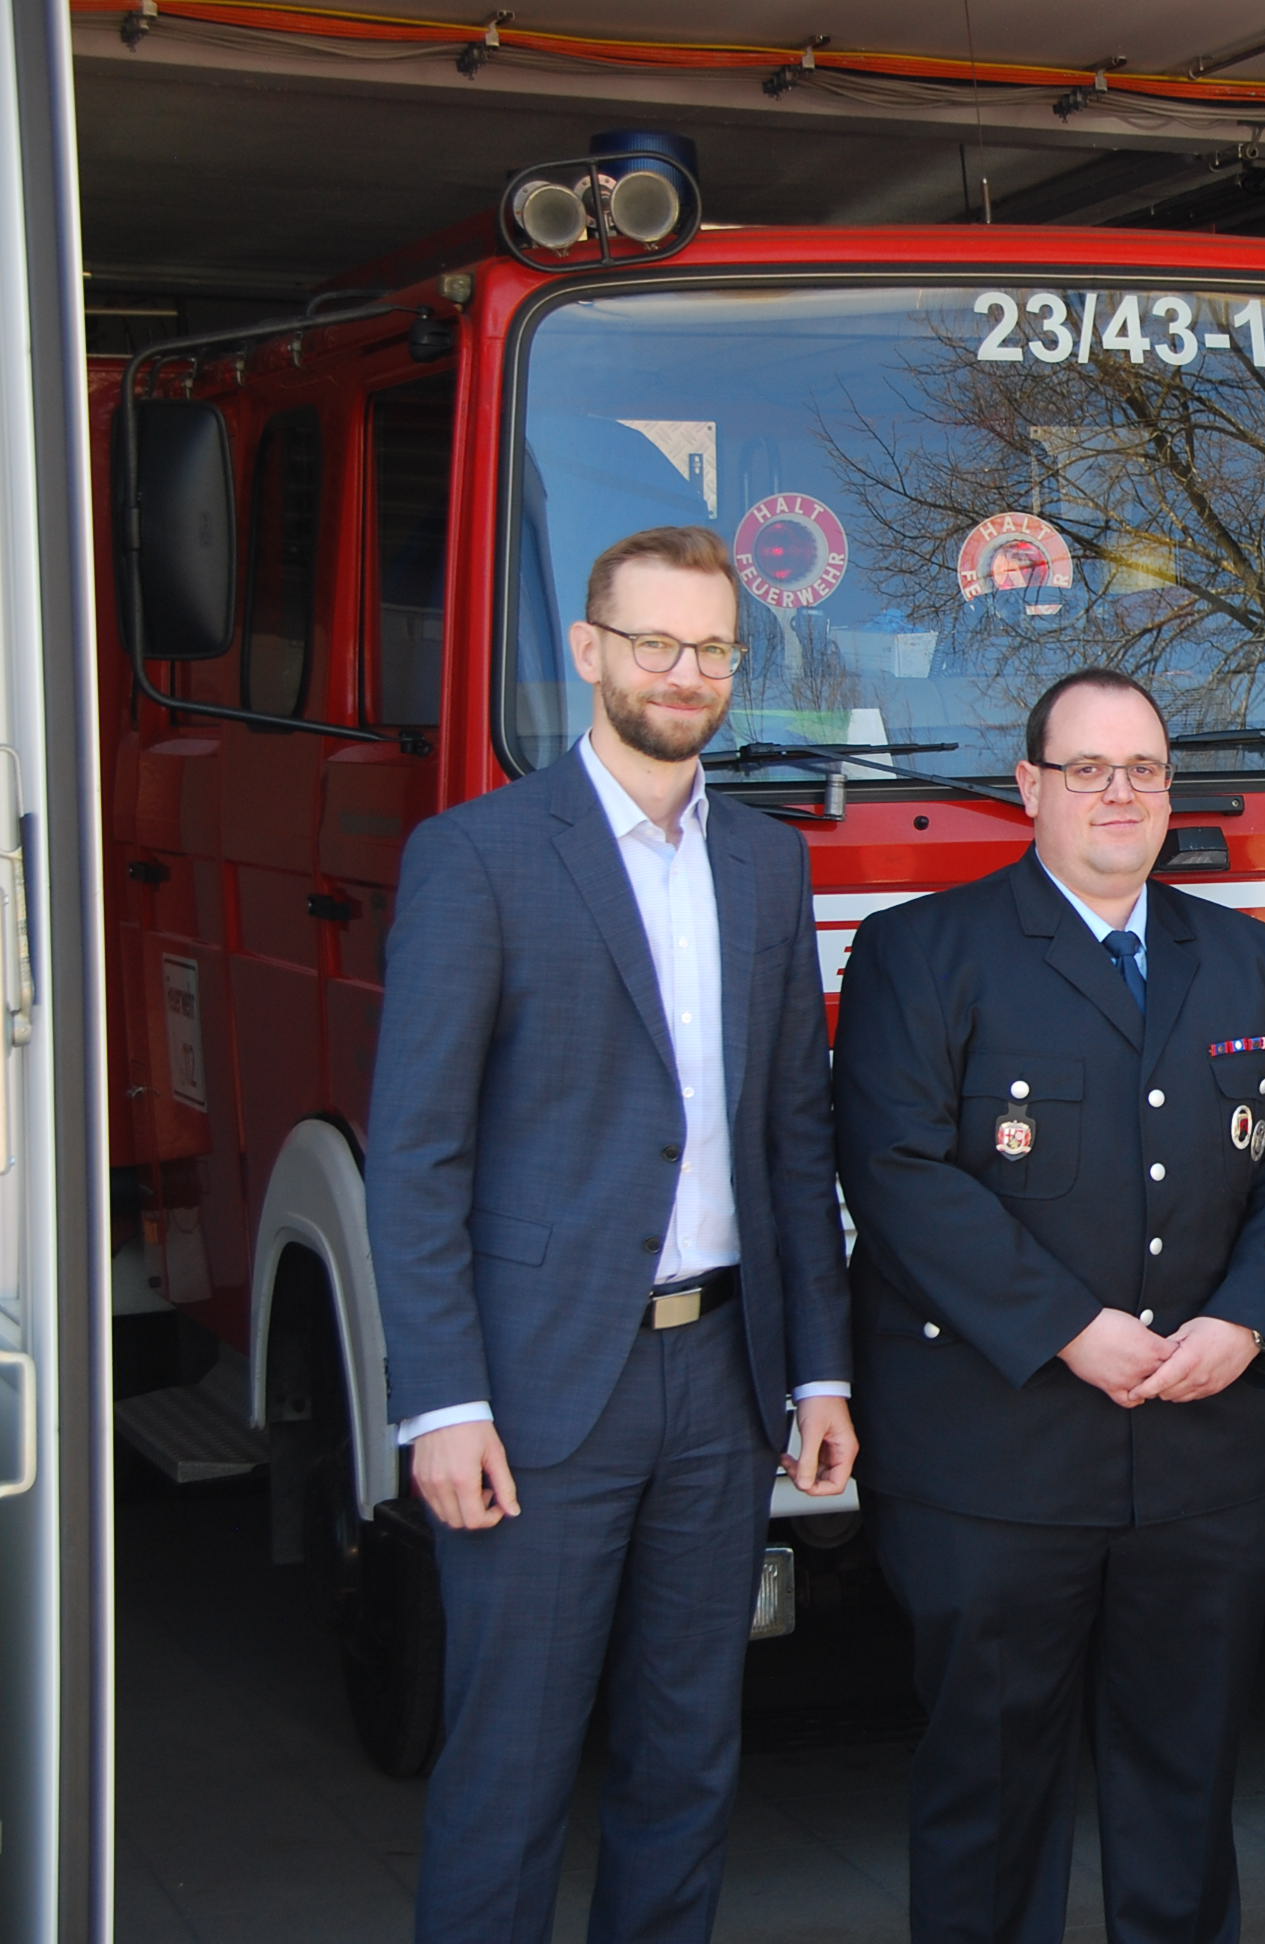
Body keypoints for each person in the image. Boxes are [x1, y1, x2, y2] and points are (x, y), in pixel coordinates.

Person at [371, 524, 857, 1943]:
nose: (684, 673)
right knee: (508, 1771)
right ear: (587, 653)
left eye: (712, 649)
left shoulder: (767, 868)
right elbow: (417, 1154)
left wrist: (817, 1374)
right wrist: (442, 1400)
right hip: (533, 1396)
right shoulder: (477, 858)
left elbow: (795, 1136)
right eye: (655, 643)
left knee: (686, 1760)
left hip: (720, 1382)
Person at [831, 669, 1265, 1944]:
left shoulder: (1242, 955)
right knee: (989, 1803)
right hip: (994, 1461)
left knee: (1183, 1798)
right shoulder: (921, 950)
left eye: (1145, 771)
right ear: (1030, 787)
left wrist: (1247, 1316)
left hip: (1199, 1457)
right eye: (1088, 770)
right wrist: (1067, 1324)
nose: (1121, 795)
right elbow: (893, 1170)